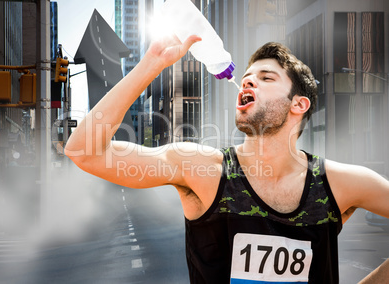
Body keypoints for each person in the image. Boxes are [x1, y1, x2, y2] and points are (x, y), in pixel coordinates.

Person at [64, 34, 389, 283]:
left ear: (298, 105)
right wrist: (153, 62)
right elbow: (84, 151)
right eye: (248, 76)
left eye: (267, 77)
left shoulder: (341, 182)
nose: (248, 80)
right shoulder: (201, 168)